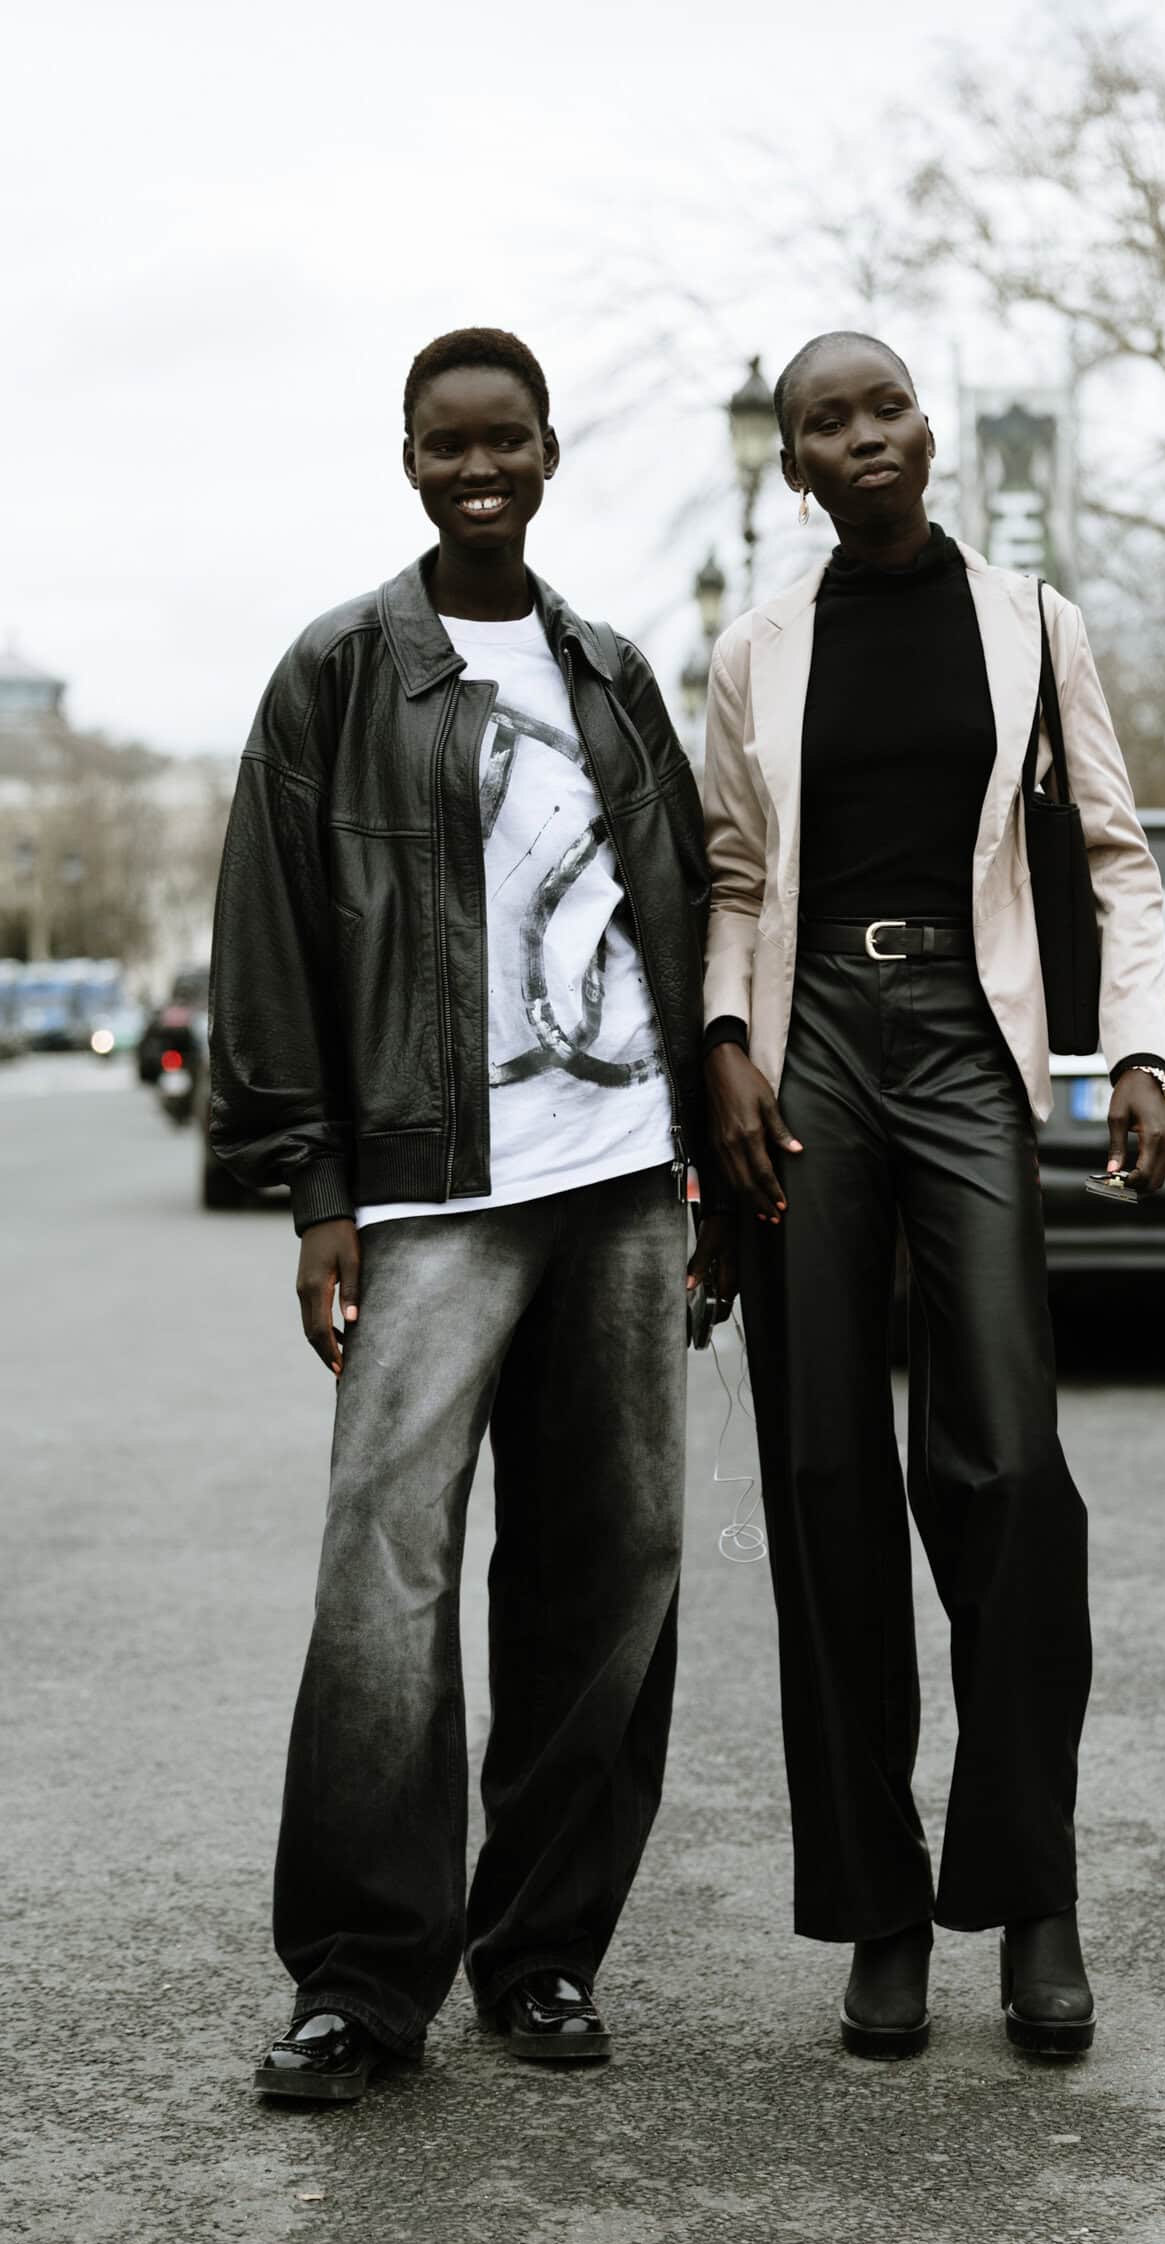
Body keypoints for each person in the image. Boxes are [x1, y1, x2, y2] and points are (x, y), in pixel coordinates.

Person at [210, 327, 723, 2102]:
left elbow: (681, 921)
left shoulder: (607, 671)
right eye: (447, 442)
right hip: (434, 1190)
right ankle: (361, 1979)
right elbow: (270, 931)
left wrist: (708, 1174)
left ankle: (545, 1950)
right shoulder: (340, 671)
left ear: (548, 453)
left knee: (610, 1569)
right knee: (385, 1573)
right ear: (410, 458)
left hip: (622, 1183)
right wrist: (317, 1185)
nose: (477, 465)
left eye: (504, 439)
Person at [698, 331, 1165, 2063]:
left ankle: (1031, 1895)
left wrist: (1135, 1050)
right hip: (811, 1036)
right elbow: (734, 872)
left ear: (926, 427)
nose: (861, 434)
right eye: (823, 420)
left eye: (881, 405)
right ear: (795, 464)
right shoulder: (755, 651)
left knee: (1004, 1464)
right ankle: (881, 1909)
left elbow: (1112, 852)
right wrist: (725, 1042)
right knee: (821, 1466)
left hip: (973, 1045)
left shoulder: (1035, 623)